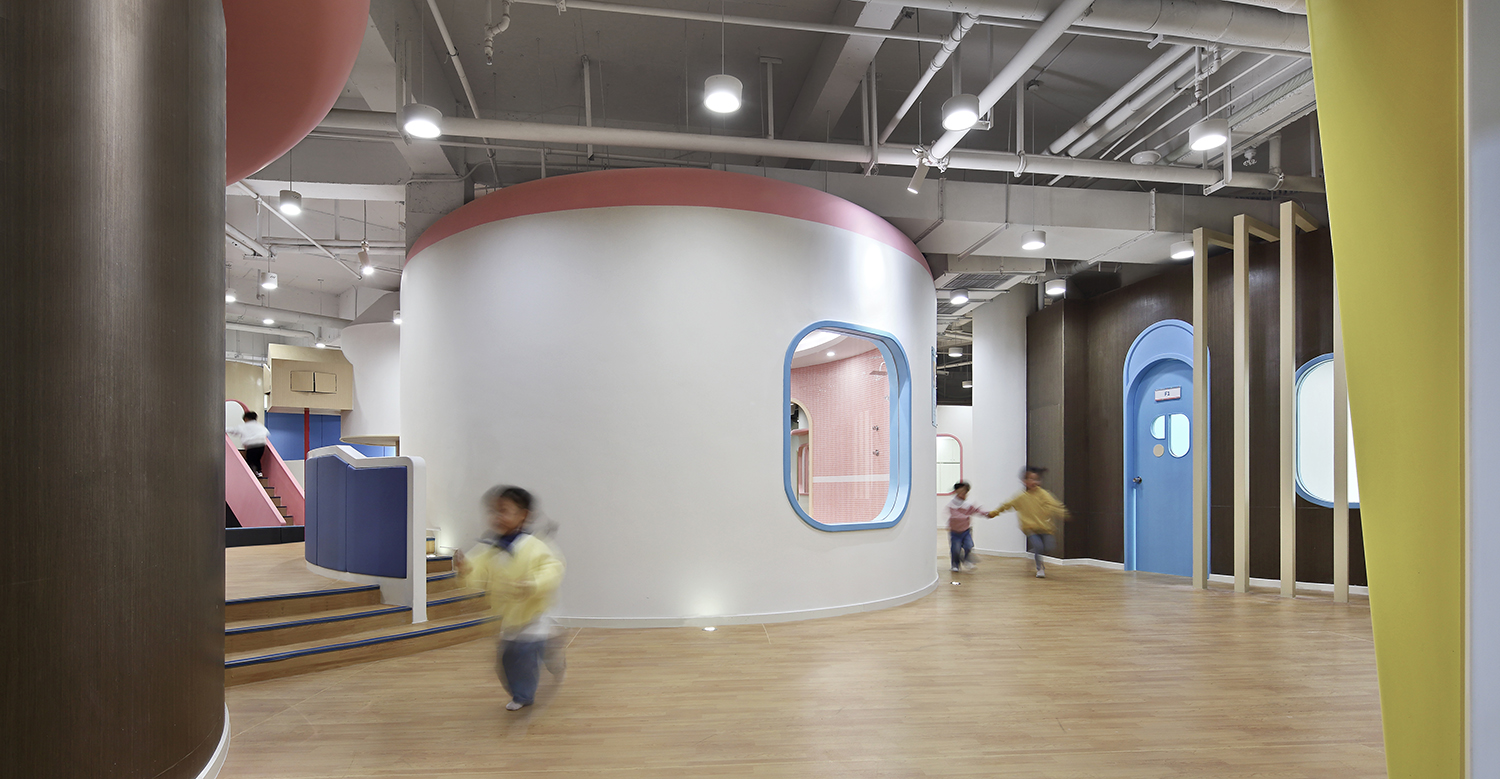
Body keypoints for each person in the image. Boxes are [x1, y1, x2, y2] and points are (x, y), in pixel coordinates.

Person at [455, 486, 565, 712]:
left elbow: (552, 569)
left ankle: (525, 693)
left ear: (523, 515)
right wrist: (465, 568)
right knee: (507, 660)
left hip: (534, 616)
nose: (497, 516)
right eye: (493, 511)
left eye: (504, 510)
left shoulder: (535, 546)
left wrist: (533, 584)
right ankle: (547, 652)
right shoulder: (489, 549)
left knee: (524, 653)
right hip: (509, 617)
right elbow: (477, 573)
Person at [990, 466, 1070, 578]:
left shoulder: (1044, 494)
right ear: (1025, 481)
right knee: (1039, 546)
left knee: (1049, 547)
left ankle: (1034, 552)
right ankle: (1039, 568)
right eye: (1031, 479)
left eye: (1037, 479)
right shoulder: (1021, 497)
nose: (1034, 482)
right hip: (1030, 528)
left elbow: (1054, 505)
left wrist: (1063, 513)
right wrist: (994, 513)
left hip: (1045, 527)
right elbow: (1007, 505)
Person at [946, 482, 989, 573]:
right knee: (955, 549)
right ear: (956, 492)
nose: (963, 494)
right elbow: (955, 516)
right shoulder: (952, 504)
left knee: (969, 545)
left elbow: (976, 510)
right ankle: (955, 565)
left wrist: (986, 513)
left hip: (966, 531)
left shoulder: (968, 504)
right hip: (955, 532)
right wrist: (966, 515)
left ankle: (967, 560)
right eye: (961, 492)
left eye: (965, 492)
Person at [234, 411, 270, 478]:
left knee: (250, 460)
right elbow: (267, 432)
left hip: (252, 446)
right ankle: (259, 472)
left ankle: (252, 473)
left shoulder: (246, 426)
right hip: (261, 446)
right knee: (257, 460)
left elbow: (235, 430)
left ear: (246, 419)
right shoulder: (259, 425)